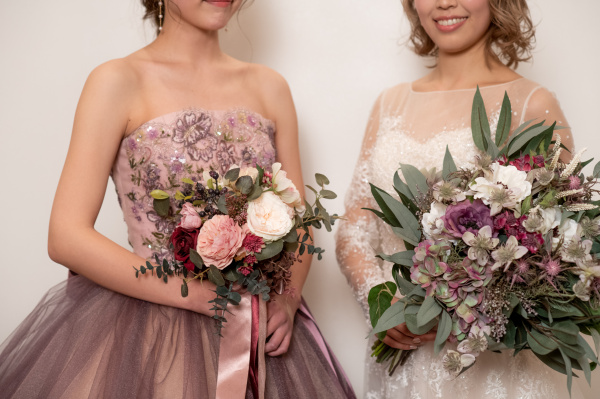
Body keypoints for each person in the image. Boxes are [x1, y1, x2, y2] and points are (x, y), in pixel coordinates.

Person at [0, 1, 356, 398]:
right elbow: (66, 236)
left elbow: (298, 220)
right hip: (151, 328)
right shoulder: (117, 80)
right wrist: (201, 295)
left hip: (255, 324)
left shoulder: (269, 86)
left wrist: (287, 301)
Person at [335, 0, 582, 398]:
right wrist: (381, 300)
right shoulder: (389, 103)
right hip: (405, 351)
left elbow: (560, 247)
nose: (445, 2)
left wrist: (469, 309)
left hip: (491, 366)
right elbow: (355, 224)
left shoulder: (532, 103)